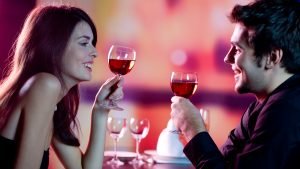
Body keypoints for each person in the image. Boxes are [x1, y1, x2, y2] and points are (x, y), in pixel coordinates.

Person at [171, 0, 300, 168]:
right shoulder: (263, 104)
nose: (227, 58)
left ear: (272, 57)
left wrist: (194, 131)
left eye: (238, 49)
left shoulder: (285, 109)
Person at [0, 5, 124, 169]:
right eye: (84, 43)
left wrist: (100, 110)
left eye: (92, 43)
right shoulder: (44, 85)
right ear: (54, 45)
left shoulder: (50, 102)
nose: (95, 52)